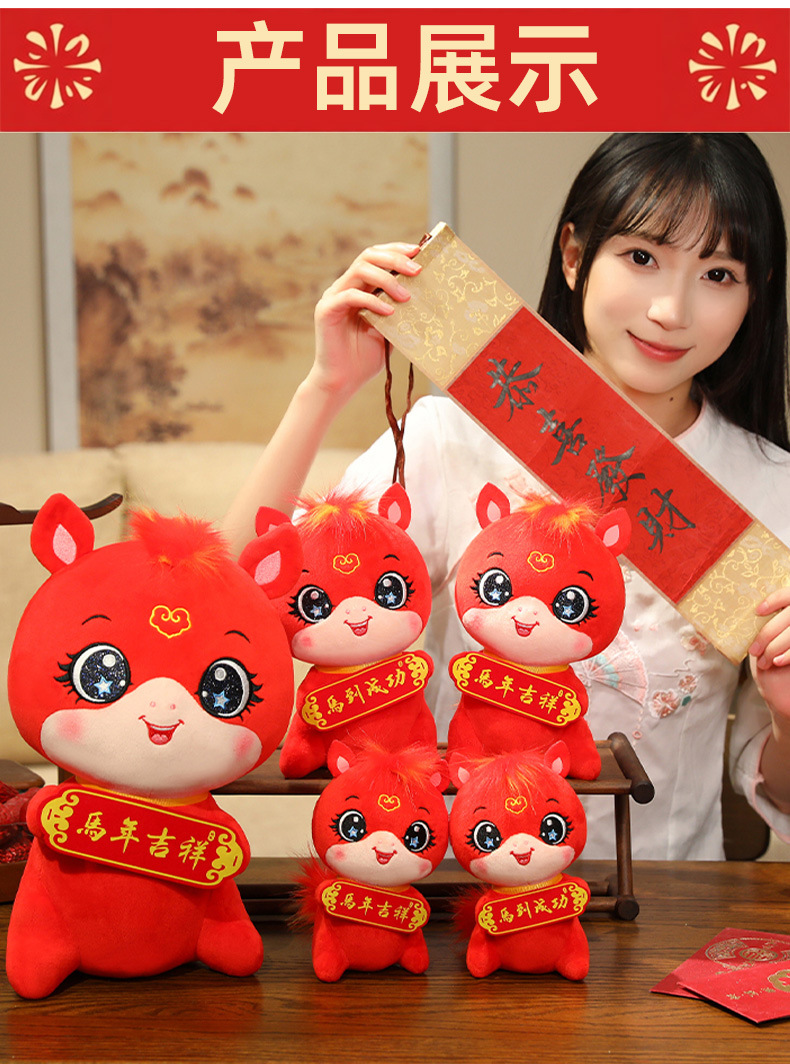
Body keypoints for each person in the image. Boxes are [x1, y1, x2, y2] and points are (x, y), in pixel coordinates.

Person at [224, 133, 790, 860]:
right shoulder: (454, 438)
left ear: (755, 293)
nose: (670, 310)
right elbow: (233, 606)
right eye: (642, 257)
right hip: (455, 886)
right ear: (574, 255)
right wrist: (324, 388)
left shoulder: (771, 488)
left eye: (717, 274)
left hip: (662, 897)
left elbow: (775, 789)